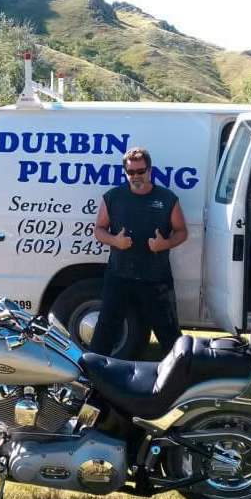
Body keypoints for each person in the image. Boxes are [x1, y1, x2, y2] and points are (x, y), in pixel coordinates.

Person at [89, 147, 188, 356]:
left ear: (149, 170)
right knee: (106, 326)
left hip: (156, 278)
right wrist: (115, 240)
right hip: (119, 274)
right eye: (131, 172)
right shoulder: (113, 197)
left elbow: (182, 232)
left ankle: (181, 378)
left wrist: (165, 244)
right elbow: (99, 230)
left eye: (140, 171)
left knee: (168, 331)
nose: (136, 176)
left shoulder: (167, 198)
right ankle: (92, 376)